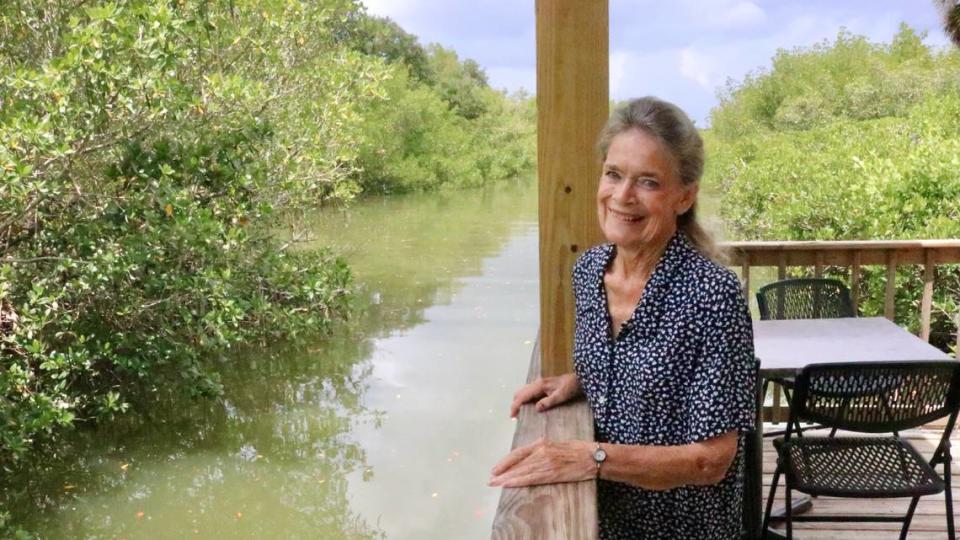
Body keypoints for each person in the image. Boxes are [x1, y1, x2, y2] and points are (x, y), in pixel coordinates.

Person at [489, 97, 756, 539]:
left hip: (682, 529)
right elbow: (633, 368)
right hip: (604, 521)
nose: (622, 196)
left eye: (648, 182)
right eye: (613, 174)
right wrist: (579, 380)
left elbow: (714, 459)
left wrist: (589, 457)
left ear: (684, 197)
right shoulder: (590, 271)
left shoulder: (711, 295)